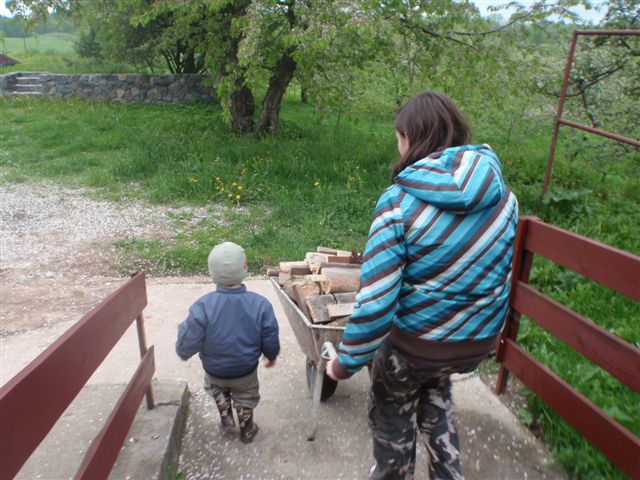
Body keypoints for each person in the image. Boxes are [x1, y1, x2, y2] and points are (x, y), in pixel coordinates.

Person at [326, 91, 518, 479]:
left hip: (414, 348)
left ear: (412, 138)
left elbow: (376, 304)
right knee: (435, 385)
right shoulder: (505, 199)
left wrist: (343, 365)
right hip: (472, 345)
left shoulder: (398, 202)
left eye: (399, 136)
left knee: (393, 408)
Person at [176, 241, 280, 443]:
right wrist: (271, 355)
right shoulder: (260, 305)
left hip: (214, 369)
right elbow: (269, 334)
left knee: (215, 387)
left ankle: (225, 414)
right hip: (245, 370)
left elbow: (189, 337)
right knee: (245, 396)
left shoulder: (203, 306)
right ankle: (247, 429)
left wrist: (183, 350)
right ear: (245, 266)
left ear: (211, 272)